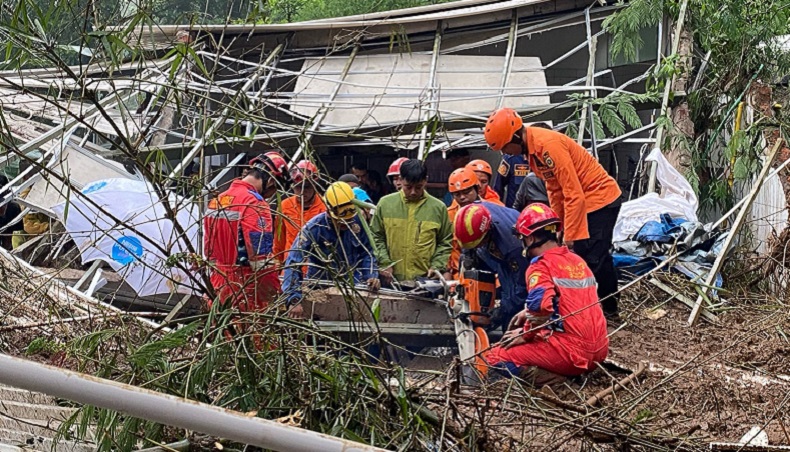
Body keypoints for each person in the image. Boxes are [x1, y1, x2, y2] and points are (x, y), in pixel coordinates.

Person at [484, 108, 622, 317]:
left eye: (505, 149)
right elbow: (554, 189)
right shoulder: (531, 152)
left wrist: (570, 237)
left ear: (514, 137)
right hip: (583, 201)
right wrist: (558, 225)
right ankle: (591, 306)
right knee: (588, 255)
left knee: (594, 257)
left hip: (600, 199)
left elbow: (572, 191)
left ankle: (607, 309)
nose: (507, 154)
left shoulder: (547, 145)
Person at [484, 203, 608, 386]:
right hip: (599, 349)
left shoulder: (540, 266)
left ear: (531, 238)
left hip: (573, 353)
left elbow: (541, 306)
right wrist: (527, 313)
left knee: (493, 356)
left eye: (522, 237)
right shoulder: (577, 261)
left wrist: (526, 334)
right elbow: (568, 303)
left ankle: (555, 380)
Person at [203, 152, 289, 313]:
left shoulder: (217, 200)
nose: (270, 196)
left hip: (217, 287)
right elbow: (260, 260)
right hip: (246, 291)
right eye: (274, 190)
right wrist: (275, 293)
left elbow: (209, 253)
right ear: (270, 181)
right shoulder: (255, 204)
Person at [282, 182, 380, 319]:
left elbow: (367, 252)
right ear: (329, 212)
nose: (346, 224)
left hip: (353, 286)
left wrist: (371, 275)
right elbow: (294, 261)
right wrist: (293, 299)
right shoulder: (314, 228)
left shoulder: (357, 222)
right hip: (320, 287)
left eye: (349, 220)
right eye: (342, 221)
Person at [371, 159, 453, 285]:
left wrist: (437, 266)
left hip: (425, 282)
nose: (413, 192)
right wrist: (384, 263)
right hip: (391, 280)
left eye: (418, 187)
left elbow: (445, 241)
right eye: (408, 187)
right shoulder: (385, 204)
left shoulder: (438, 208)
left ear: (426, 180)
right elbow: (376, 236)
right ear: (400, 180)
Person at [454, 203, 529, 329]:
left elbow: (521, 288)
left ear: (487, 232)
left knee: (511, 319)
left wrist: (503, 310)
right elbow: (468, 236)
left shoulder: (514, 247)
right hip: (496, 251)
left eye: (477, 244)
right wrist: (468, 253)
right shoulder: (473, 213)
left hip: (518, 267)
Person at [444, 167, 502, 280]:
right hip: (459, 277)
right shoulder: (448, 215)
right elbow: (445, 246)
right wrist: (446, 272)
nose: (462, 197)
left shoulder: (493, 211)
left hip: (492, 275)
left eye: (466, 192)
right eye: (457, 194)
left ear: (477, 188)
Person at [273, 160, 326, 264]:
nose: (302, 191)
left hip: (316, 267)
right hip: (290, 266)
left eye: (306, 187)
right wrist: (277, 263)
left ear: (314, 186)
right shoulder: (285, 206)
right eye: (298, 187)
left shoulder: (324, 207)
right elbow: (279, 240)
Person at [493, 122, 552, 208]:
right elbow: (498, 189)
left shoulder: (552, 159)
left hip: (547, 213)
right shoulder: (511, 158)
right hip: (516, 214)